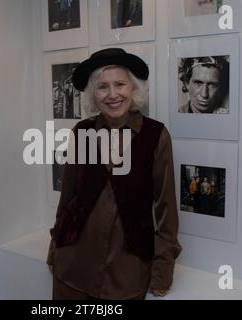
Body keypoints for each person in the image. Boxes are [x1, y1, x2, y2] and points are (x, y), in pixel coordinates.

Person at [47, 48, 182, 300]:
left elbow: (166, 209)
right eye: (102, 87)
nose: (112, 94)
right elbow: (67, 198)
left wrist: (163, 269)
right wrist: (55, 246)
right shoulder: (81, 132)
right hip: (73, 267)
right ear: (93, 94)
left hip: (127, 273)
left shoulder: (156, 136)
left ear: (133, 88)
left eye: (120, 84)